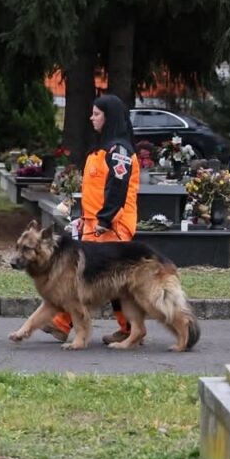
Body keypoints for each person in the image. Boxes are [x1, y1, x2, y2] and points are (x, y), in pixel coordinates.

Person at [43, 94, 141, 345]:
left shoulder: (119, 151)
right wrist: (84, 219)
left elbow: (117, 189)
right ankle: (68, 324)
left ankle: (65, 323)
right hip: (95, 226)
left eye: (97, 114)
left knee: (97, 280)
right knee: (91, 279)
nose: (92, 118)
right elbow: (95, 191)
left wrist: (105, 220)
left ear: (109, 117)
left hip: (112, 228)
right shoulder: (103, 149)